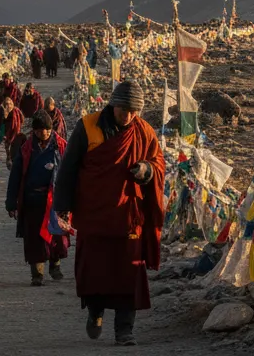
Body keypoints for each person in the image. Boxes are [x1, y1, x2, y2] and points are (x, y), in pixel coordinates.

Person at [53, 80, 165, 347]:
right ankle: (95, 311)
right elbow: (68, 168)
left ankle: (124, 330)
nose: (127, 116)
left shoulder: (144, 131)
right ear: (113, 104)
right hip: (94, 215)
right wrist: (63, 206)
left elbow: (158, 163)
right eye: (123, 109)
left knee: (129, 274)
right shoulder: (88, 126)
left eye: (132, 111)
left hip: (129, 217)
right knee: (94, 271)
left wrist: (147, 171)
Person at [5, 112, 67, 285]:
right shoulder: (26, 149)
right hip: (32, 199)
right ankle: (37, 274)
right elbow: (16, 176)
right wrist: (11, 202)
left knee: (55, 236)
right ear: (34, 131)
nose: (44, 134)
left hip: (54, 200)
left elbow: (70, 173)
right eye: (39, 131)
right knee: (33, 238)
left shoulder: (61, 146)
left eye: (47, 130)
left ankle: (55, 266)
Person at [0, 96, 24, 168]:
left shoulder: (15, 111)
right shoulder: (2, 111)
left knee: (13, 145)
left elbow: (21, 118)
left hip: (15, 131)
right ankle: (9, 158)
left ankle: (13, 159)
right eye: (6, 104)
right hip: (8, 131)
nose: (8, 106)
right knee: (8, 145)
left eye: (9, 104)